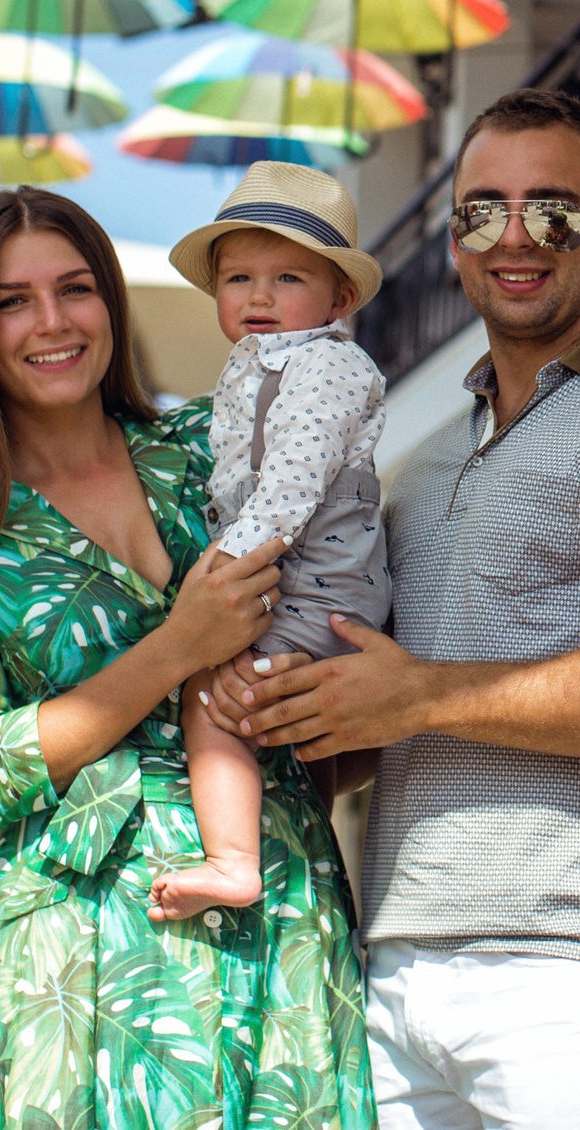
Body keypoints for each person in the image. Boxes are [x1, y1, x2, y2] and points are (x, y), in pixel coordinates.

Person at [207, 89, 580, 1130]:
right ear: (456, 241)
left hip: (579, 983)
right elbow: (375, 714)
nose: (514, 236)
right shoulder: (422, 463)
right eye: (481, 212)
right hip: (392, 966)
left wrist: (416, 693)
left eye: (552, 212)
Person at [0, 188, 373, 1130]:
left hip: (278, 916)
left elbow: (340, 585)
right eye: (11, 301)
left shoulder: (205, 447)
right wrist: (179, 648)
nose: (52, 322)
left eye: (76, 289)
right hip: (78, 948)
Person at [150, 162, 392, 923]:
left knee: (215, 699)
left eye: (287, 278)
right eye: (239, 279)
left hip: (317, 575)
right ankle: (296, 837)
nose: (258, 297)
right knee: (288, 721)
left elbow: (294, 481)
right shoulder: (253, 366)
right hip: (298, 568)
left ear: (338, 298)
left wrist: (225, 566)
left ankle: (232, 862)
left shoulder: (328, 364)